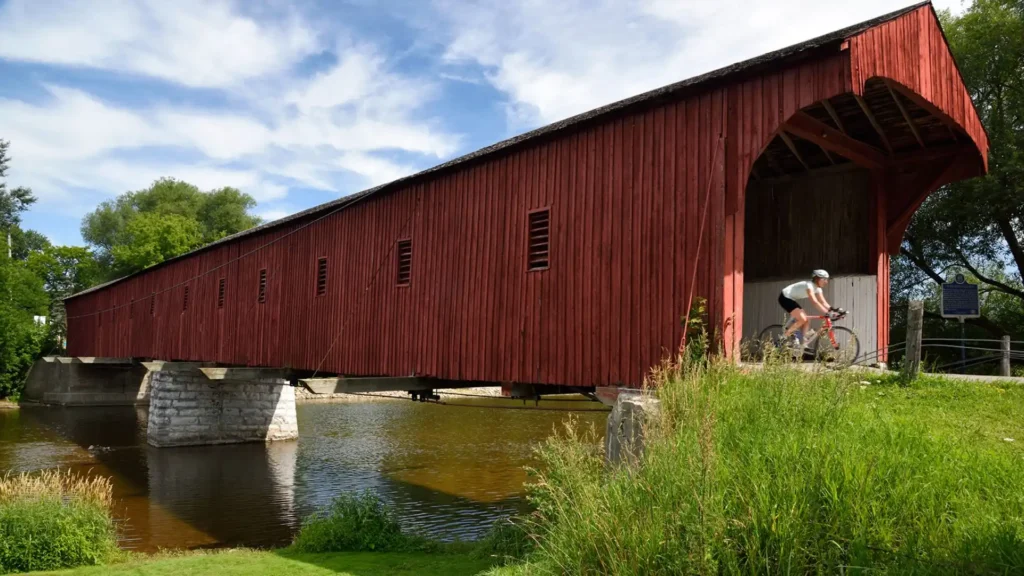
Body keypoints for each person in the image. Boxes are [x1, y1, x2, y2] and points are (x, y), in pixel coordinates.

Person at [779, 270, 836, 346]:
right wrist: (827, 313)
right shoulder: (809, 286)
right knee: (803, 319)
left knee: (806, 320)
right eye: (824, 279)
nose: (826, 282)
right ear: (817, 279)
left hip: (791, 299)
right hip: (784, 297)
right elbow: (815, 302)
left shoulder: (818, 288)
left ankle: (803, 344)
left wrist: (835, 310)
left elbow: (823, 302)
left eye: (827, 279)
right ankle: (783, 338)